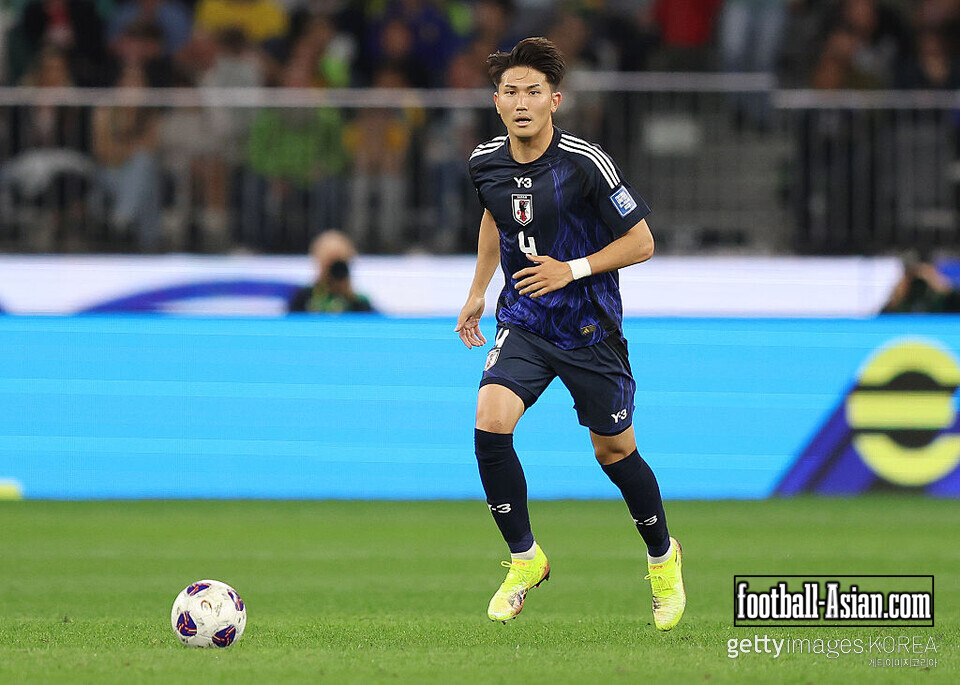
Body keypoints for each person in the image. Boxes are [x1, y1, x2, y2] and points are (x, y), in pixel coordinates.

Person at [454, 37, 685, 630]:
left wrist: (571, 270)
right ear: (496, 101)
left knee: (614, 453)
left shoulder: (585, 161)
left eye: (533, 92)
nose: (521, 102)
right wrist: (478, 292)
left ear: (555, 100)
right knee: (489, 420)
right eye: (511, 92)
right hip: (525, 321)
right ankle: (525, 558)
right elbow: (494, 218)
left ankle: (663, 559)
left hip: (589, 327)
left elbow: (643, 242)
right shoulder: (485, 162)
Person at [288, 230, 374, 313]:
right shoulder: (304, 299)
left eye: (339, 264)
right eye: (330, 263)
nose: (336, 271)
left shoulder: (359, 303)